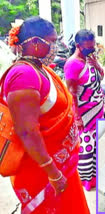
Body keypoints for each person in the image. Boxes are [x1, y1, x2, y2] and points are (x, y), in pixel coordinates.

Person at [2, 16, 90, 213]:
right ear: (34, 43)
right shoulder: (23, 76)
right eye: (51, 41)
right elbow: (26, 131)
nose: (56, 46)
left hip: (60, 166)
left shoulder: (39, 69)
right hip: (43, 171)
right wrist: (53, 172)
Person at [64, 29, 104, 191]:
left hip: (97, 110)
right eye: (88, 47)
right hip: (85, 114)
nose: (91, 50)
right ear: (77, 45)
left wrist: (97, 65)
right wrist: (78, 118)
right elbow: (72, 94)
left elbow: (100, 77)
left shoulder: (89, 59)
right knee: (86, 148)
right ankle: (86, 182)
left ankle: (94, 177)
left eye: (93, 47)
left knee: (95, 146)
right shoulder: (72, 64)